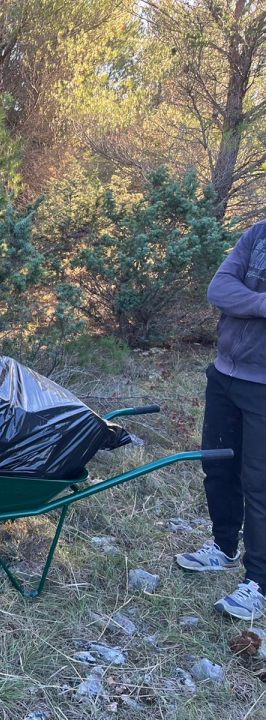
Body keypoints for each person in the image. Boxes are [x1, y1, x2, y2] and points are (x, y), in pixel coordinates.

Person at [175, 219, 266, 620]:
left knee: (259, 484)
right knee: (217, 466)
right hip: (225, 373)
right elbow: (219, 288)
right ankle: (224, 548)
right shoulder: (259, 232)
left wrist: (244, 299)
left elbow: (234, 294)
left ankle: (260, 583)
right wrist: (262, 304)